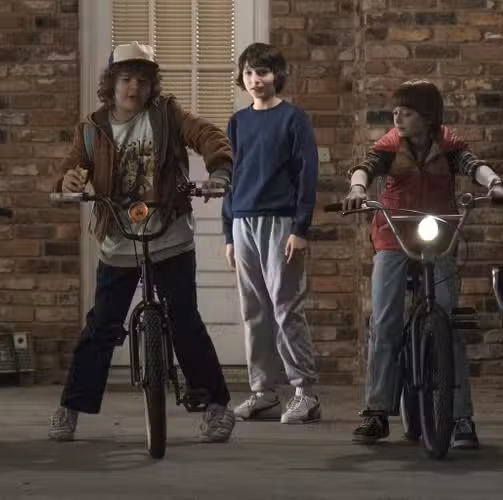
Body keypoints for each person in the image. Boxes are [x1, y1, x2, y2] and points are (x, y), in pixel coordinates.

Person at [47, 41, 236, 444]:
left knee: (185, 321)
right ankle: (71, 407)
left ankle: (216, 406)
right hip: (118, 242)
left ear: (152, 86)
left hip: (169, 236)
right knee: (102, 326)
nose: (134, 87)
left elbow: (207, 135)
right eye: (126, 79)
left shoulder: (167, 115)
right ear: (111, 84)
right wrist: (69, 180)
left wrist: (219, 172)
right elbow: (70, 169)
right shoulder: (92, 128)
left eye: (143, 81)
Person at [343, 79, 503, 449]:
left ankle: (460, 418)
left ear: (428, 117)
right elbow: (366, 167)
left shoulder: (448, 144)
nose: (398, 118)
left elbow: (474, 166)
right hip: (394, 234)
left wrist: (495, 186)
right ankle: (376, 411)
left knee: (449, 320)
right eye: (396, 112)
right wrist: (358, 189)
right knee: (385, 320)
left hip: (438, 233)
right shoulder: (390, 145)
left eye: (407, 113)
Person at [222, 43, 321, 424]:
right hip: (243, 222)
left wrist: (301, 228)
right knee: (254, 311)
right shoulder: (237, 122)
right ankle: (263, 392)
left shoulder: (294, 119)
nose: (255, 80)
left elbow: (307, 175)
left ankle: (305, 393)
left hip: (281, 222)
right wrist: (228, 232)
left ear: (276, 75)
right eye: (249, 73)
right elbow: (231, 177)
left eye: (262, 72)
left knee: (286, 307)